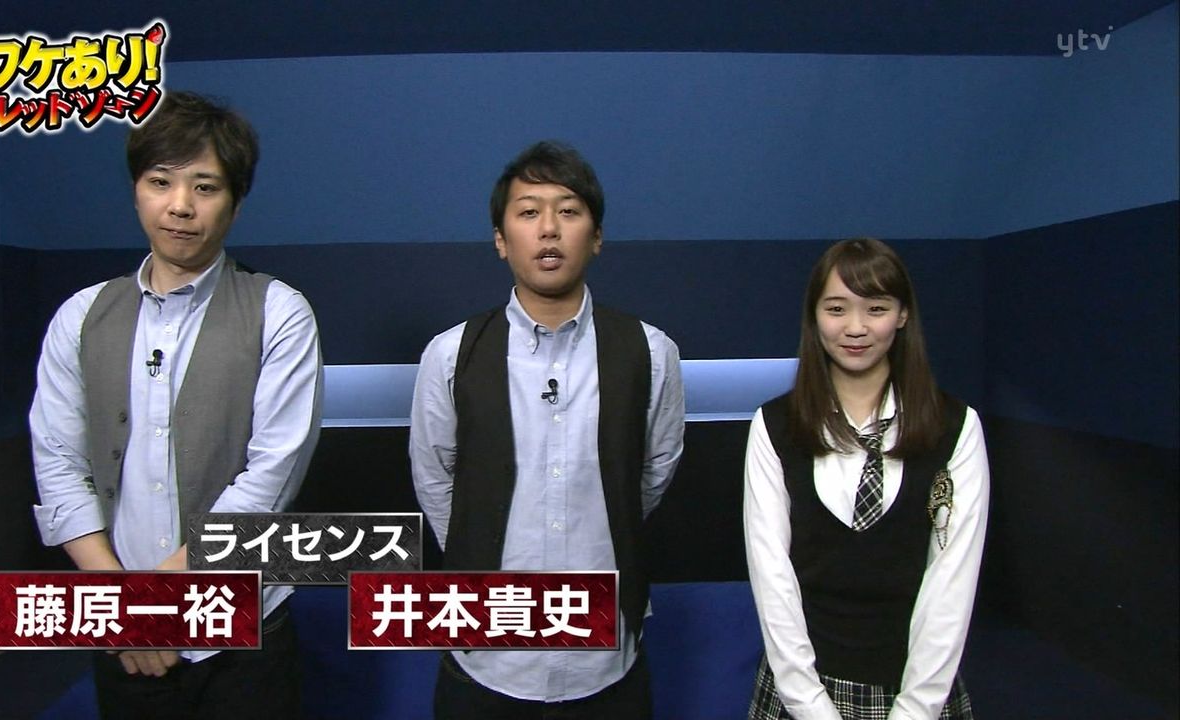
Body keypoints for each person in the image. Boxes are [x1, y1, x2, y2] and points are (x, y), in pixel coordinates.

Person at [29, 91, 322, 720]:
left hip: (244, 623)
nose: (181, 205)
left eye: (205, 187)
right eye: (160, 181)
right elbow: (58, 465)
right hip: (123, 628)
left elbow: (272, 473)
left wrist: (162, 601)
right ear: (137, 190)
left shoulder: (279, 311)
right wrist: (125, 606)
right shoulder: (81, 316)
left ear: (235, 202)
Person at [409, 140, 685, 719]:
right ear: (501, 239)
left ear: (597, 236)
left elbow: (652, 473)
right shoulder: (451, 354)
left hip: (605, 661)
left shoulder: (651, 352)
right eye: (529, 212)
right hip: (486, 658)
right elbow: (436, 479)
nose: (549, 229)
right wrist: (481, 545)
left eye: (569, 211)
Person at [743, 238, 988, 720]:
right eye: (837, 309)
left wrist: (915, 709)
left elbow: (951, 583)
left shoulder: (955, 427)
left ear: (902, 315)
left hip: (918, 688)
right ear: (814, 317)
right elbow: (773, 578)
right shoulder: (775, 426)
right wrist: (811, 706)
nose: (855, 328)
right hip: (801, 688)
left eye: (876, 308)